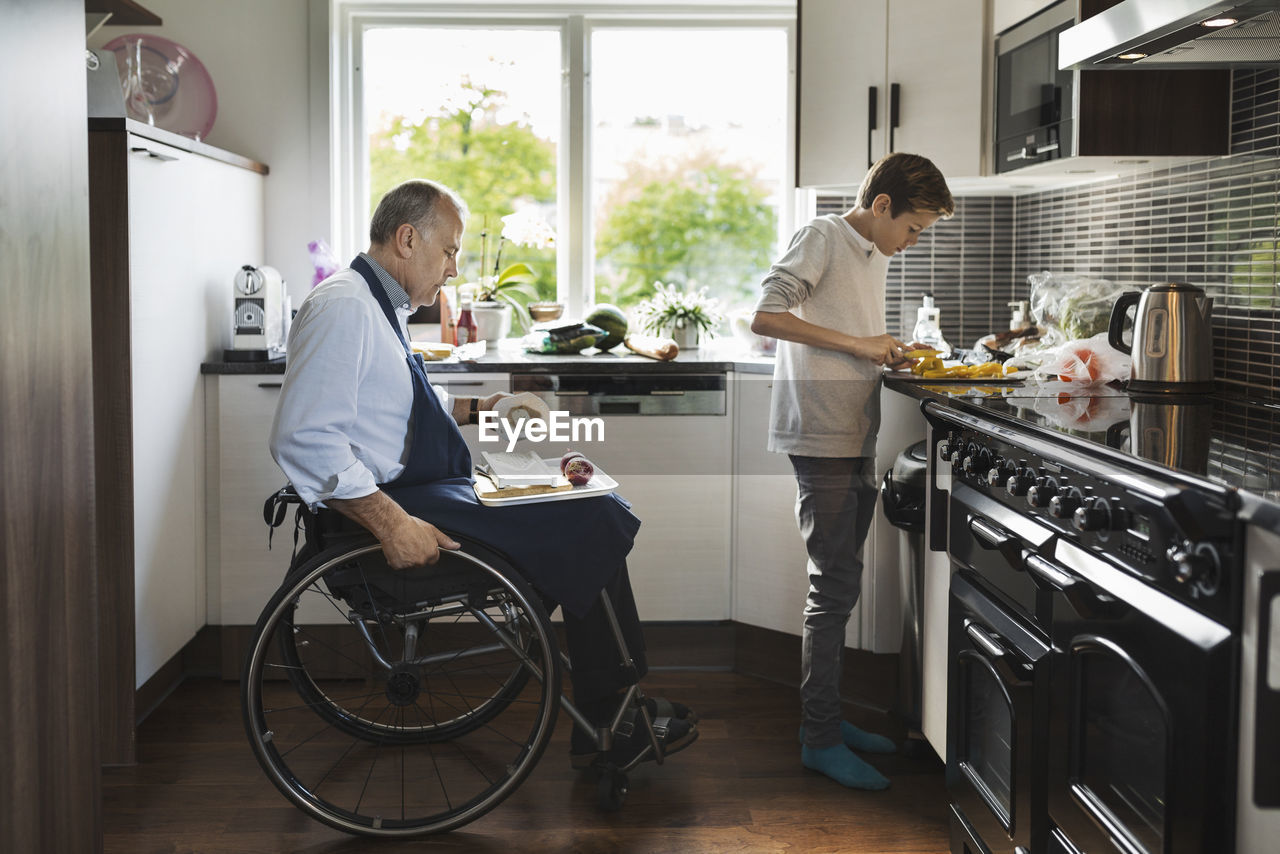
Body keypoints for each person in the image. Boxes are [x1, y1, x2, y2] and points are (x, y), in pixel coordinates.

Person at [269, 178, 697, 767]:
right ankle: (614, 718)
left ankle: (617, 705)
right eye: (449, 251)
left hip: (418, 490)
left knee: (588, 498)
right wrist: (392, 525)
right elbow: (304, 437)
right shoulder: (344, 307)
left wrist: (483, 409)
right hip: (396, 508)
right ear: (407, 237)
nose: (452, 268)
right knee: (590, 515)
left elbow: (393, 411)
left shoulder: (377, 304)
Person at [750, 152, 954, 790]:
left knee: (840, 584)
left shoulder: (872, 254)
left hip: (850, 430)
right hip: (819, 433)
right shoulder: (823, 236)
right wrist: (861, 345)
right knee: (832, 589)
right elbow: (765, 315)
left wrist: (889, 345)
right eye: (914, 228)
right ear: (884, 205)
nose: (913, 242)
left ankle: (831, 724)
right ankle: (819, 737)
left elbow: (845, 328)